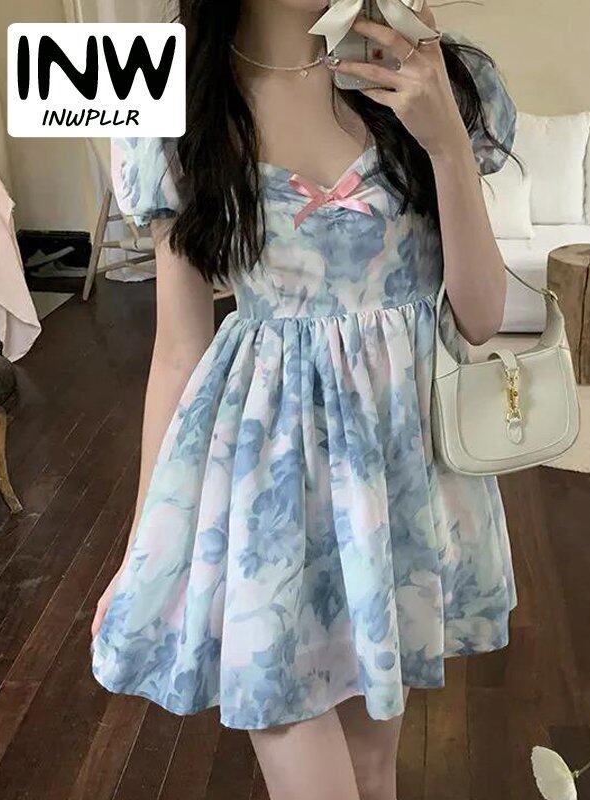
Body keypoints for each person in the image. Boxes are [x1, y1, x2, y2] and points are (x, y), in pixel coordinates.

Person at [90, 2, 517, 798]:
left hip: (394, 479)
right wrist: (145, 543)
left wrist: (445, 142)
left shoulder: (429, 75)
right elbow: (179, 347)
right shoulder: (174, 103)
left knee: (373, 771)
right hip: (268, 486)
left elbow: (481, 317)